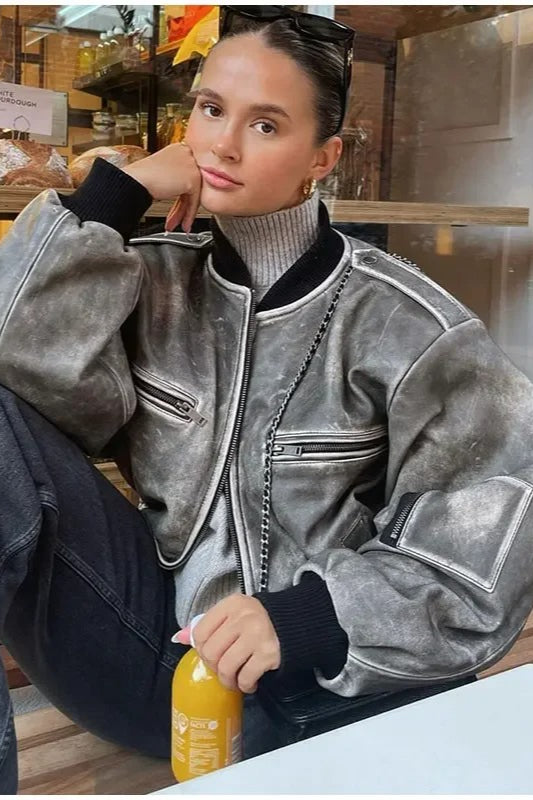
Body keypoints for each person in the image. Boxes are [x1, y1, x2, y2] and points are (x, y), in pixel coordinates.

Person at [0, 5, 533, 792]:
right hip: (154, 660)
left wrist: (308, 618)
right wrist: (113, 197)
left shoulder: (408, 325)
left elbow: (485, 549)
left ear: (323, 156)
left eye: (265, 124)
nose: (221, 143)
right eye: (211, 109)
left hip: (317, 688)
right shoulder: (153, 277)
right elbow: (23, 374)